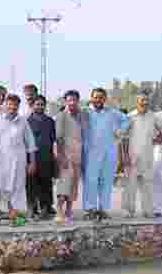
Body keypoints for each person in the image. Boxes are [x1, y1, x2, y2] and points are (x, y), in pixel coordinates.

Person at [82, 87, 130, 221]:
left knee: (106, 181)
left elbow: (127, 120)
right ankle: (90, 209)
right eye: (95, 97)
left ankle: (103, 209)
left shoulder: (112, 112)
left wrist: (120, 130)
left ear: (105, 99)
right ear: (91, 98)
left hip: (109, 152)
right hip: (91, 152)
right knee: (90, 181)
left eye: (101, 97)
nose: (98, 100)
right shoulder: (85, 112)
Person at [0, 94, 36, 226]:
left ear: (18, 106)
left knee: (17, 188)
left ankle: (15, 217)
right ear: (5, 105)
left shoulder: (23, 121)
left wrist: (32, 162)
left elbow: (30, 143)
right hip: (0, 160)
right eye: (10, 104)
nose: (12, 107)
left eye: (15, 104)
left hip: (18, 161)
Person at [121, 91, 157, 218]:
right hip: (132, 157)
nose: (145, 102)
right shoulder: (130, 117)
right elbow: (124, 137)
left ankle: (147, 210)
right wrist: (125, 156)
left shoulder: (153, 116)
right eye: (142, 100)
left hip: (147, 156)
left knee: (147, 184)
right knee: (130, 184)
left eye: (146, 100)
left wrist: (157, 139)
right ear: (137, 102)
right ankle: (128, 210)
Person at [54, 89, 86, 223]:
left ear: (78, 101)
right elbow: (59, 139)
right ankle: (59, 211)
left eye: (74, 100)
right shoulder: (61, 116)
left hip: (78, 155)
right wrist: (61, 158)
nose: (72, 103)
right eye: (69, 100)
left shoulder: (82, 115)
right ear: (65, 101)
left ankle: (69, 210)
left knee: (73, 186)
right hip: (65, 156)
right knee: (63, 186)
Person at [26, 95, 56, 219]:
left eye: (42, 104)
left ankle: (46, 207)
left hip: (46, 156)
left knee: (46, 183)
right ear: (32, 106)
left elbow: (53, 139)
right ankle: (32, 208)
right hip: (31, 157)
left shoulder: (50, 121)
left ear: (45, 106)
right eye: (37, 104)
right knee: (31, 183)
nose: (39, 106)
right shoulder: (27, 121)